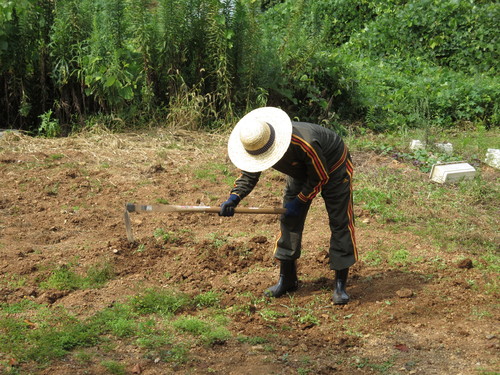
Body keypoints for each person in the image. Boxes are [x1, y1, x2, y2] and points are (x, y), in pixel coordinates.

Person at [219, 107, 357, 305]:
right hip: (300, 169)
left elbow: (320, 176)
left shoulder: (305, 143)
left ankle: (340, 285)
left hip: (334, 166)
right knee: (289, 220)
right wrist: (234, 198)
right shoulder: (256, 143)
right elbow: (249, 173)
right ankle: (288, 279)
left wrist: (300, 201)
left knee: (340, 221)